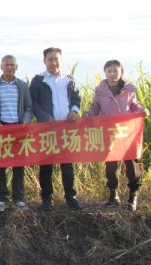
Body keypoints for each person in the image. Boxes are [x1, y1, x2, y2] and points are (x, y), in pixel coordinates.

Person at [83, 60, 150, 211]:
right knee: (111, 166)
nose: (112, 74)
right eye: (109, 71)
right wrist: (88, 113)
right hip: (109, 133)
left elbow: (135, 105)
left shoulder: (129, 89)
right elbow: (95, 108)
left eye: (115, 71)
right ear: (105, 73)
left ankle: (133, 196)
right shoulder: (100, 91)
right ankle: (113, 195)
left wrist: (142, 111)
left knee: (132, 164)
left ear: (121, 72)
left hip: (126, 133)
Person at [30, 47, 83, 211]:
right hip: (47, 129)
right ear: (44, 61)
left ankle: (71, 196)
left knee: (67, 164)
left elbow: (76, 99)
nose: (53, 63)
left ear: (61, 60)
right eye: (50, 59)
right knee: (46, 164)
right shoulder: (38, 80)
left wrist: (74, 111)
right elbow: (33, 102)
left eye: (56, 59)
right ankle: (46, 198)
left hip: (67, 129)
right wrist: (44, 116)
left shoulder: (69, 79)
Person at [0, 55, 33, 212]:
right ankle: (1, 199)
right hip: (1, 128)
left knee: (19, 166)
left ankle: (19, 199)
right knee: (0, 166)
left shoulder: (22, 86)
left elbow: (29, 107)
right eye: (7, 65)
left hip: (18, 129)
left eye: (12, 65)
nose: (9, 67)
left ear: (16, 67)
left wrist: (25, 120)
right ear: (1, 67)